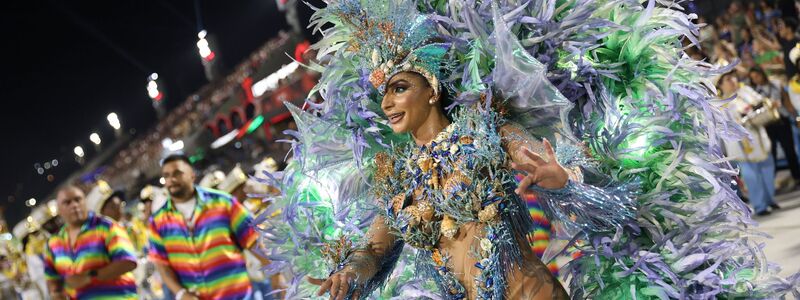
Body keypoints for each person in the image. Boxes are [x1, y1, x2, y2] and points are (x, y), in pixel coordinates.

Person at [260, 0, 800, 299]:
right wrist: (350, 274)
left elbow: (601, 203)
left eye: (399, 87)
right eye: (382, 95)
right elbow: (375, 250)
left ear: (431, 87)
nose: (388, 102)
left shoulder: (486, 134)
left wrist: (567, 182)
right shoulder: (399, 179)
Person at [148, 153, 266, 299]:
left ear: (192, 174)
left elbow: (253, 240)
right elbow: (162, 265)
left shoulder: (224, 203)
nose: (171, 179)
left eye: (177, 173)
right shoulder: (157, 221)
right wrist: (180, 293)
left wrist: (277, 274)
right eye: (166, 175)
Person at [43, 186, 138, 299]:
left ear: (85, 202)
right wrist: (56, 292)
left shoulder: (107, 226)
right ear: (59, 210)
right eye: (67, 202)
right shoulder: (53, 243)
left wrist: (89, 276)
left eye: (78, 199)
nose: (74, 205)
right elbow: (52, 278)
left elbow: (127, 261)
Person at [719, 72, 780, 216]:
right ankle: (760, 206)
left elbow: (762, 101)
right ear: (720, 85)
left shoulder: (745, 91)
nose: (733, 81)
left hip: (759, 137)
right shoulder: (720, 104)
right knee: (751, 176)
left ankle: (769, 199)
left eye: (733, 77)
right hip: (741, 145)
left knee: (767, 171)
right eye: (728, 79)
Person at [749, 66, 800, 188]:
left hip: (782, 119)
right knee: (772, 153)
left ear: (762, 74)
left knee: (789, 150)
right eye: (753, 78)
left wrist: (794, 115)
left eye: (757, 76)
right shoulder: (754, 91)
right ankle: (771, 182)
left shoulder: (776, 83)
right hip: (768, 123)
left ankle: (797, 177)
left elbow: (786, 99)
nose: (756, 79)